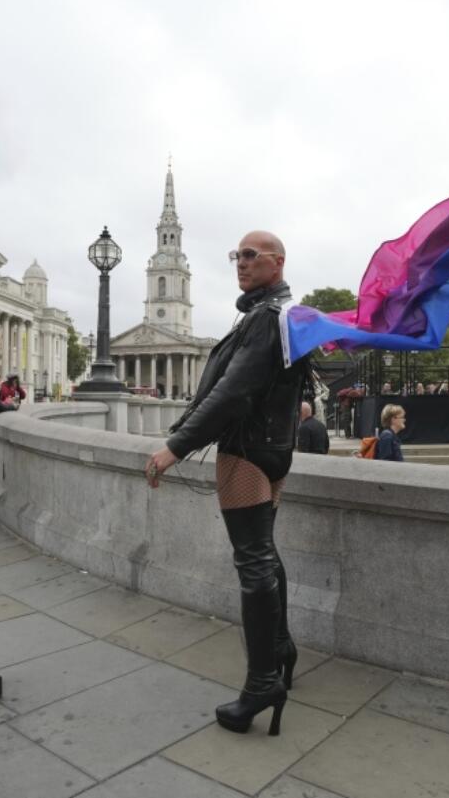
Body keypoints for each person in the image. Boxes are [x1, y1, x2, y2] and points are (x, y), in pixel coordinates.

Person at [146, 230, 306, 737]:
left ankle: (262, 683)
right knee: (265, 551)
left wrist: (176, 445)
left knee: (252, 561)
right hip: (277, 448)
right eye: (236, 254)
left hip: (247, 449)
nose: (240, 262)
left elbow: (234, 391)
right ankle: (280, 649)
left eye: (251, 255)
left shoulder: (264, 318)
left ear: (276, 263)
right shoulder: (286, 315)